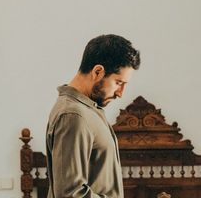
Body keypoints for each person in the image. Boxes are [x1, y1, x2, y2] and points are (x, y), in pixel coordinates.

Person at [46, 34, 141, 198]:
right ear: (97, 71)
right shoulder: (73, 115)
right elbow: (70, 194)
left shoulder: (87, 110)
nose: (120, 93)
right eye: (119, 83)